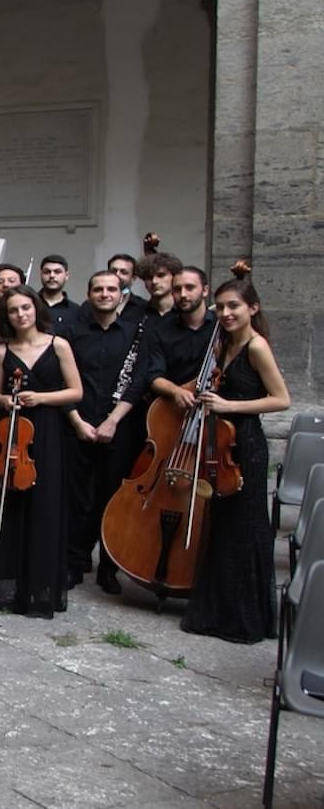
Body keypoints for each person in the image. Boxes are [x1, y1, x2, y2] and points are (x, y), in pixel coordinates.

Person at [181, 269, 289, 644]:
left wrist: (230, 404)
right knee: (222, 527)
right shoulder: (220, 345)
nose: (225, 313)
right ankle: (218, 610)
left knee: (246, 528)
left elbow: (281, 399)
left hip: (246, 444)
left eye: (234, 307)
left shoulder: (256, 347)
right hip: (219, 442)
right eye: (221, 307)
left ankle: (246, 618)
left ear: (252, 308)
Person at [0, 286, 82, 618]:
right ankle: (6, 589)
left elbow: (76, 392)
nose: (21, 315)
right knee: (7, 509)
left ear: (35, 308)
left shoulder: (58, 345)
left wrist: (42, 398)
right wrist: (7, 400)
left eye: (25, 308)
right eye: (14, 311)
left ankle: (39, 590)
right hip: (12, 434)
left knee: (44, 508)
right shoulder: (1, 351)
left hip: (47, 434)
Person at [65, 271, 146, 595]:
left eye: (111, 289)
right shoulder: (70, 331)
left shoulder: (135, 334)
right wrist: (77, 421)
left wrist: (113, 421)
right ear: (88, 292)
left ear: (121, 294)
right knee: (76, 499)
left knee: (112, 499)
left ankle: (109, 568)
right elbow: (59, 378)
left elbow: (139, 380)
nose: (104, 294)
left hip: (119, 427)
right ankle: (74, 562)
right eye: (98, 289)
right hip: (78, 425)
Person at [146, 267, 214, 396]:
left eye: (190, 288)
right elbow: (154, 376)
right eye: (177, 289)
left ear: (205, 291)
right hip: (173, 405)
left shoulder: (221, 326)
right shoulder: (160, 330)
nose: (183, 294)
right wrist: (175, 391)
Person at [135, 251, 181, 321]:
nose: (154, 282)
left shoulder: (186, 313)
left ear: (174, 276)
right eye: (149, 277)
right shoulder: (134, 315)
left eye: (161, 275)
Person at [38, 255, 80, 333]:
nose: (52, 276)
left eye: (57, 272)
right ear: (41, 274)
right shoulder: (30, 304)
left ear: (66, 275)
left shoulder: (76, 311)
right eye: (47, 272)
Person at [107, 253, 146, 318]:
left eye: (123, 272)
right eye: (113, 271)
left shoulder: (144, 307)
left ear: (133, 279)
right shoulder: (91, 305)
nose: (117, 275)